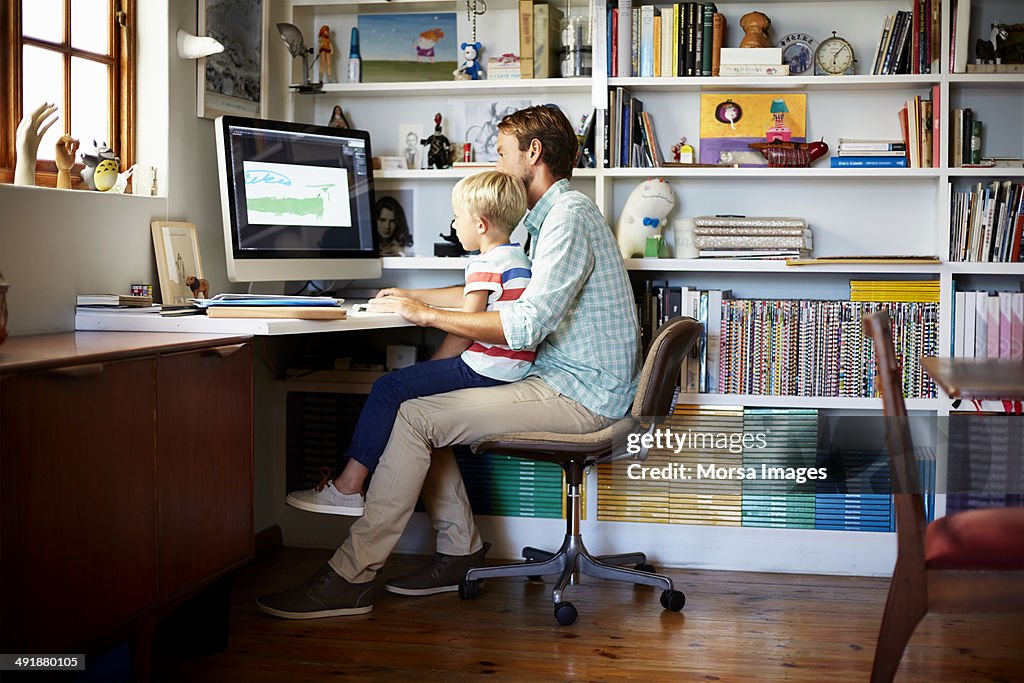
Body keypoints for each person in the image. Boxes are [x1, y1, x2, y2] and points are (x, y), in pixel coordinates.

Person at [256, 105, 640, 619]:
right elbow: (485, 289)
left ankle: (348, 579)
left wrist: (423, 313)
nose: (498, 166)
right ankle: (459, 553)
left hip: (582, 396)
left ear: (534, 153)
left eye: (503, 154)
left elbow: (522, 326)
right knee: (421, 401)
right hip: (566, 381)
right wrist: (405, 297)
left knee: (414, 416)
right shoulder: (545, 219)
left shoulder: (566, 219)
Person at [284, 171, 532, 522]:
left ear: (479, 224)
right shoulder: (516, 259)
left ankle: (347, 487)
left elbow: (465, 327)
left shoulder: (483, 263)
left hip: (487, 367)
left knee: (389, 386)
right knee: (403, 386)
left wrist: (429, 368)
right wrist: (412, 296)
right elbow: (470, 300)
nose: (454, 225)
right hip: (512, 367)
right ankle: (351, 485)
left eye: (457, 217)